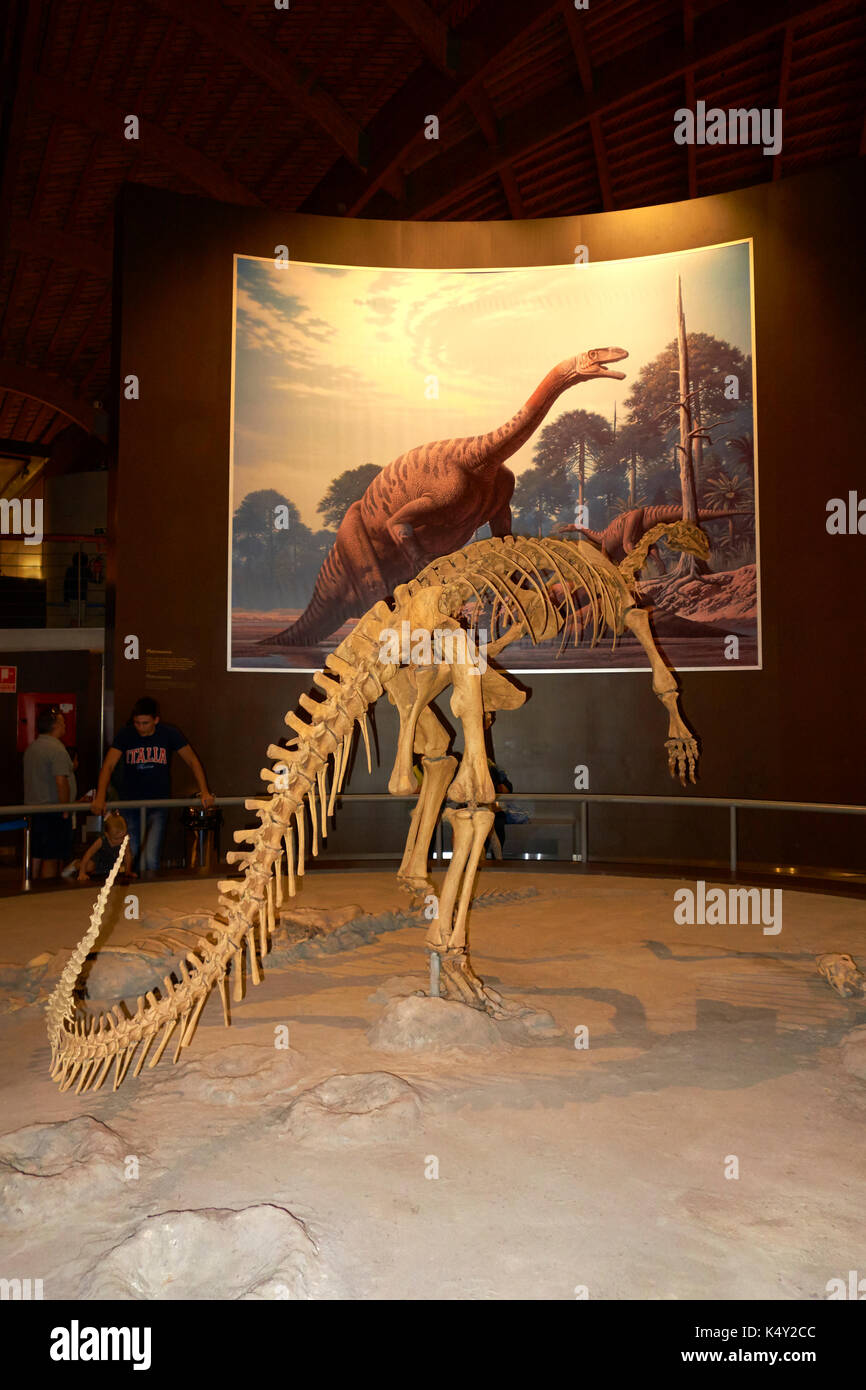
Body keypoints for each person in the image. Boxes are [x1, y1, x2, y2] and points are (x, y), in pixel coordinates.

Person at [91, 697, 214, 873]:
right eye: (137, 723)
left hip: (158, 804)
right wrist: (101, 796)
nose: (140, 727)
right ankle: (133, 894)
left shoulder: (169, 733)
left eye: (145, 723)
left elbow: (192, 760)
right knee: (130, 855)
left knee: (150, 858)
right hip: (131, 803)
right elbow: (108, 765)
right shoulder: (126, 734)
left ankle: (149, 893)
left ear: (156, 720)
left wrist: (204, 791)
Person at [23, 707, 77, 879]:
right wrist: (65, 808)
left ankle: (31, 887)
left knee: (37, 852)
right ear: (55, 725)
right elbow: (61, 781)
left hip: (34, 809)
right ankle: (47, 890)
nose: (65, 726)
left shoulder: (32, 748)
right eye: (63, 722)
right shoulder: (57, 750)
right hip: (53, 811)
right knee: (52, 855)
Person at [76, 812, 135, 881]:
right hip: (97, 861)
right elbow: (88, 853)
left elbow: (127, 855)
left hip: (110, 863)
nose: (120, 841)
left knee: (119, 868)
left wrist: (128, 871)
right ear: (107, 835)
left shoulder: (124, 840)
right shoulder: (102, 840)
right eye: (116, 838)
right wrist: (82, 873)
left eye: (122, 837)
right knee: (89, 867)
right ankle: (76, 864)